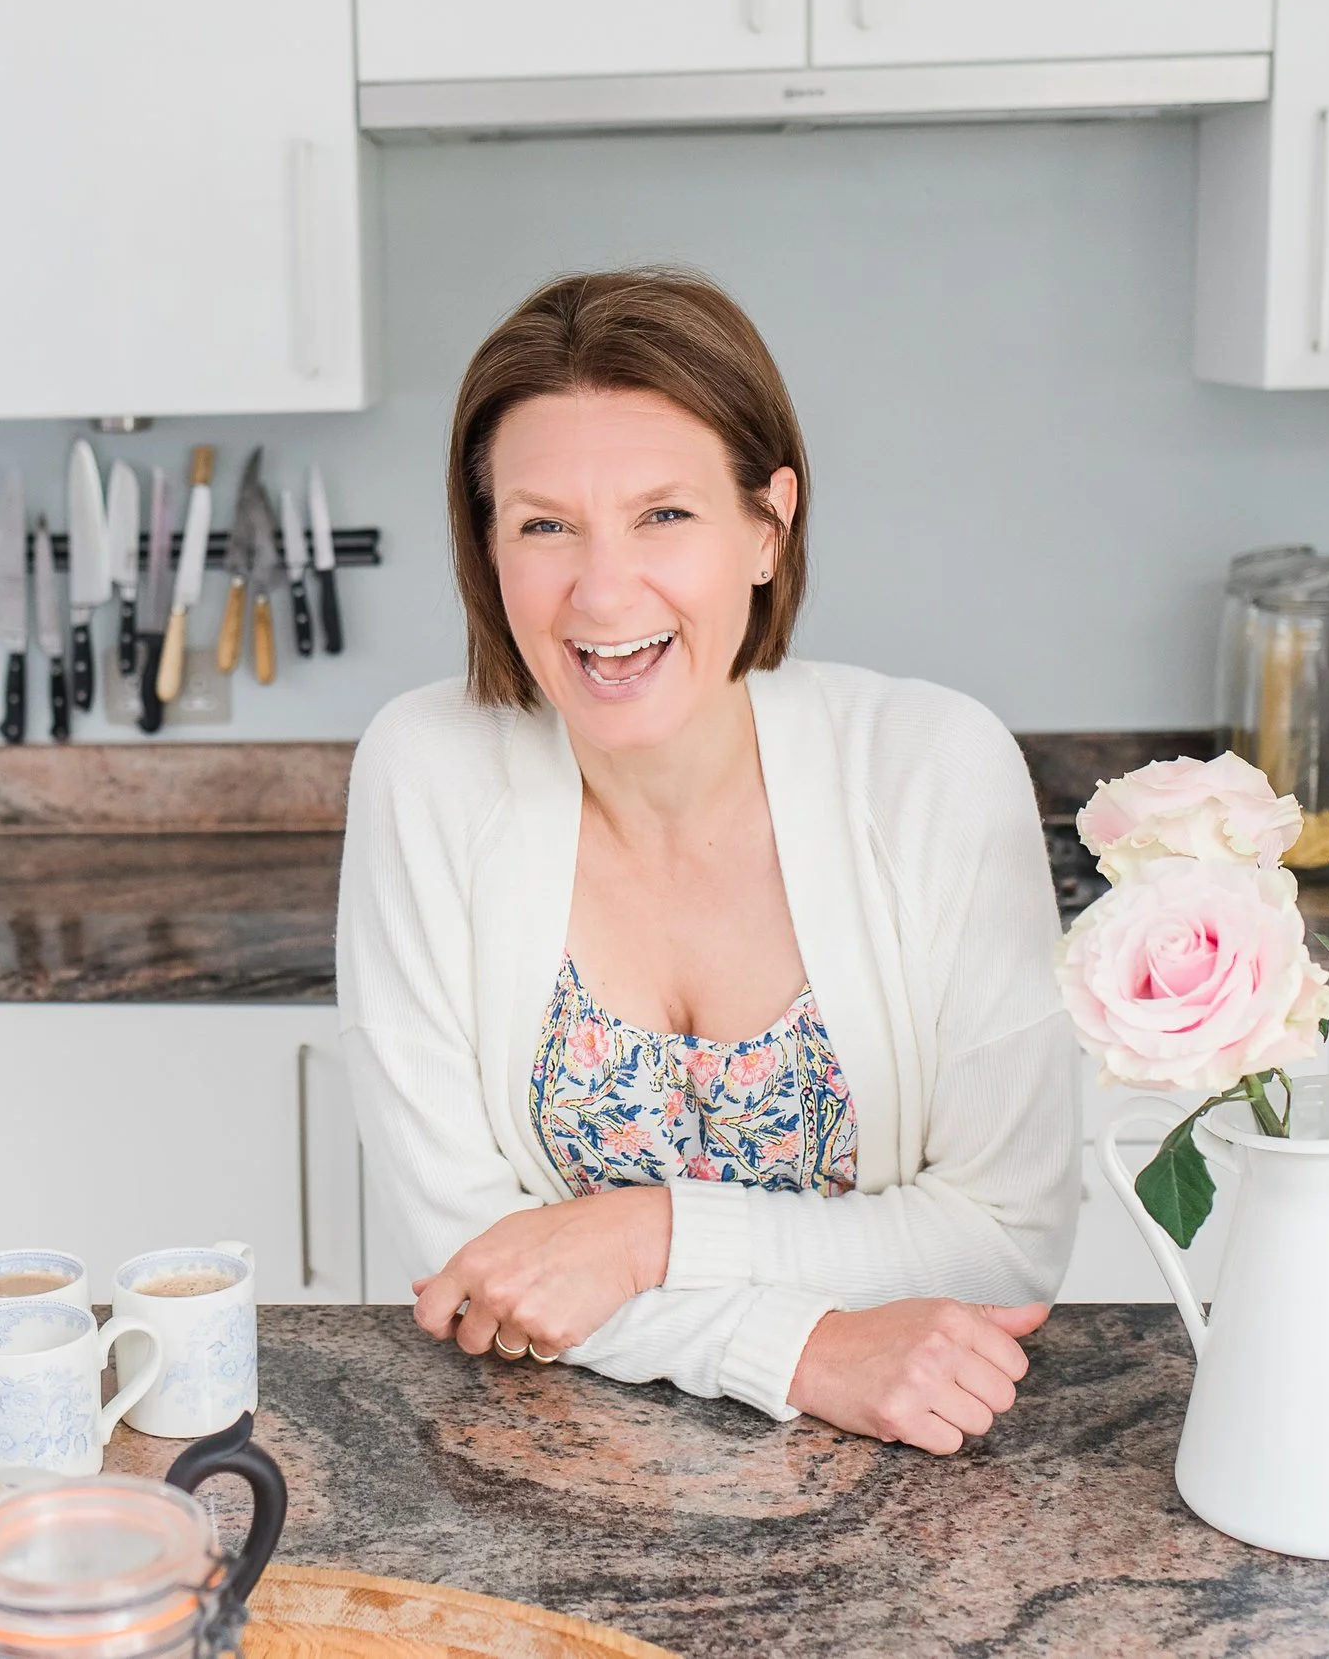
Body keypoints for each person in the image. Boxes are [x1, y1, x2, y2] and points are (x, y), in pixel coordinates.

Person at [337, 268, 1078, 1453]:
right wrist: (799, 1348)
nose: (601, 587)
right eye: (542, 524)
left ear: (767, 526)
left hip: (906, 1452)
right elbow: (469, 1259)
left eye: (662, 514)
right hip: (556, 1459)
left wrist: (643, 1235)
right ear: (487, 549)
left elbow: (1002, 1237)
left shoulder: (933, 766)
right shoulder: (426, 768)